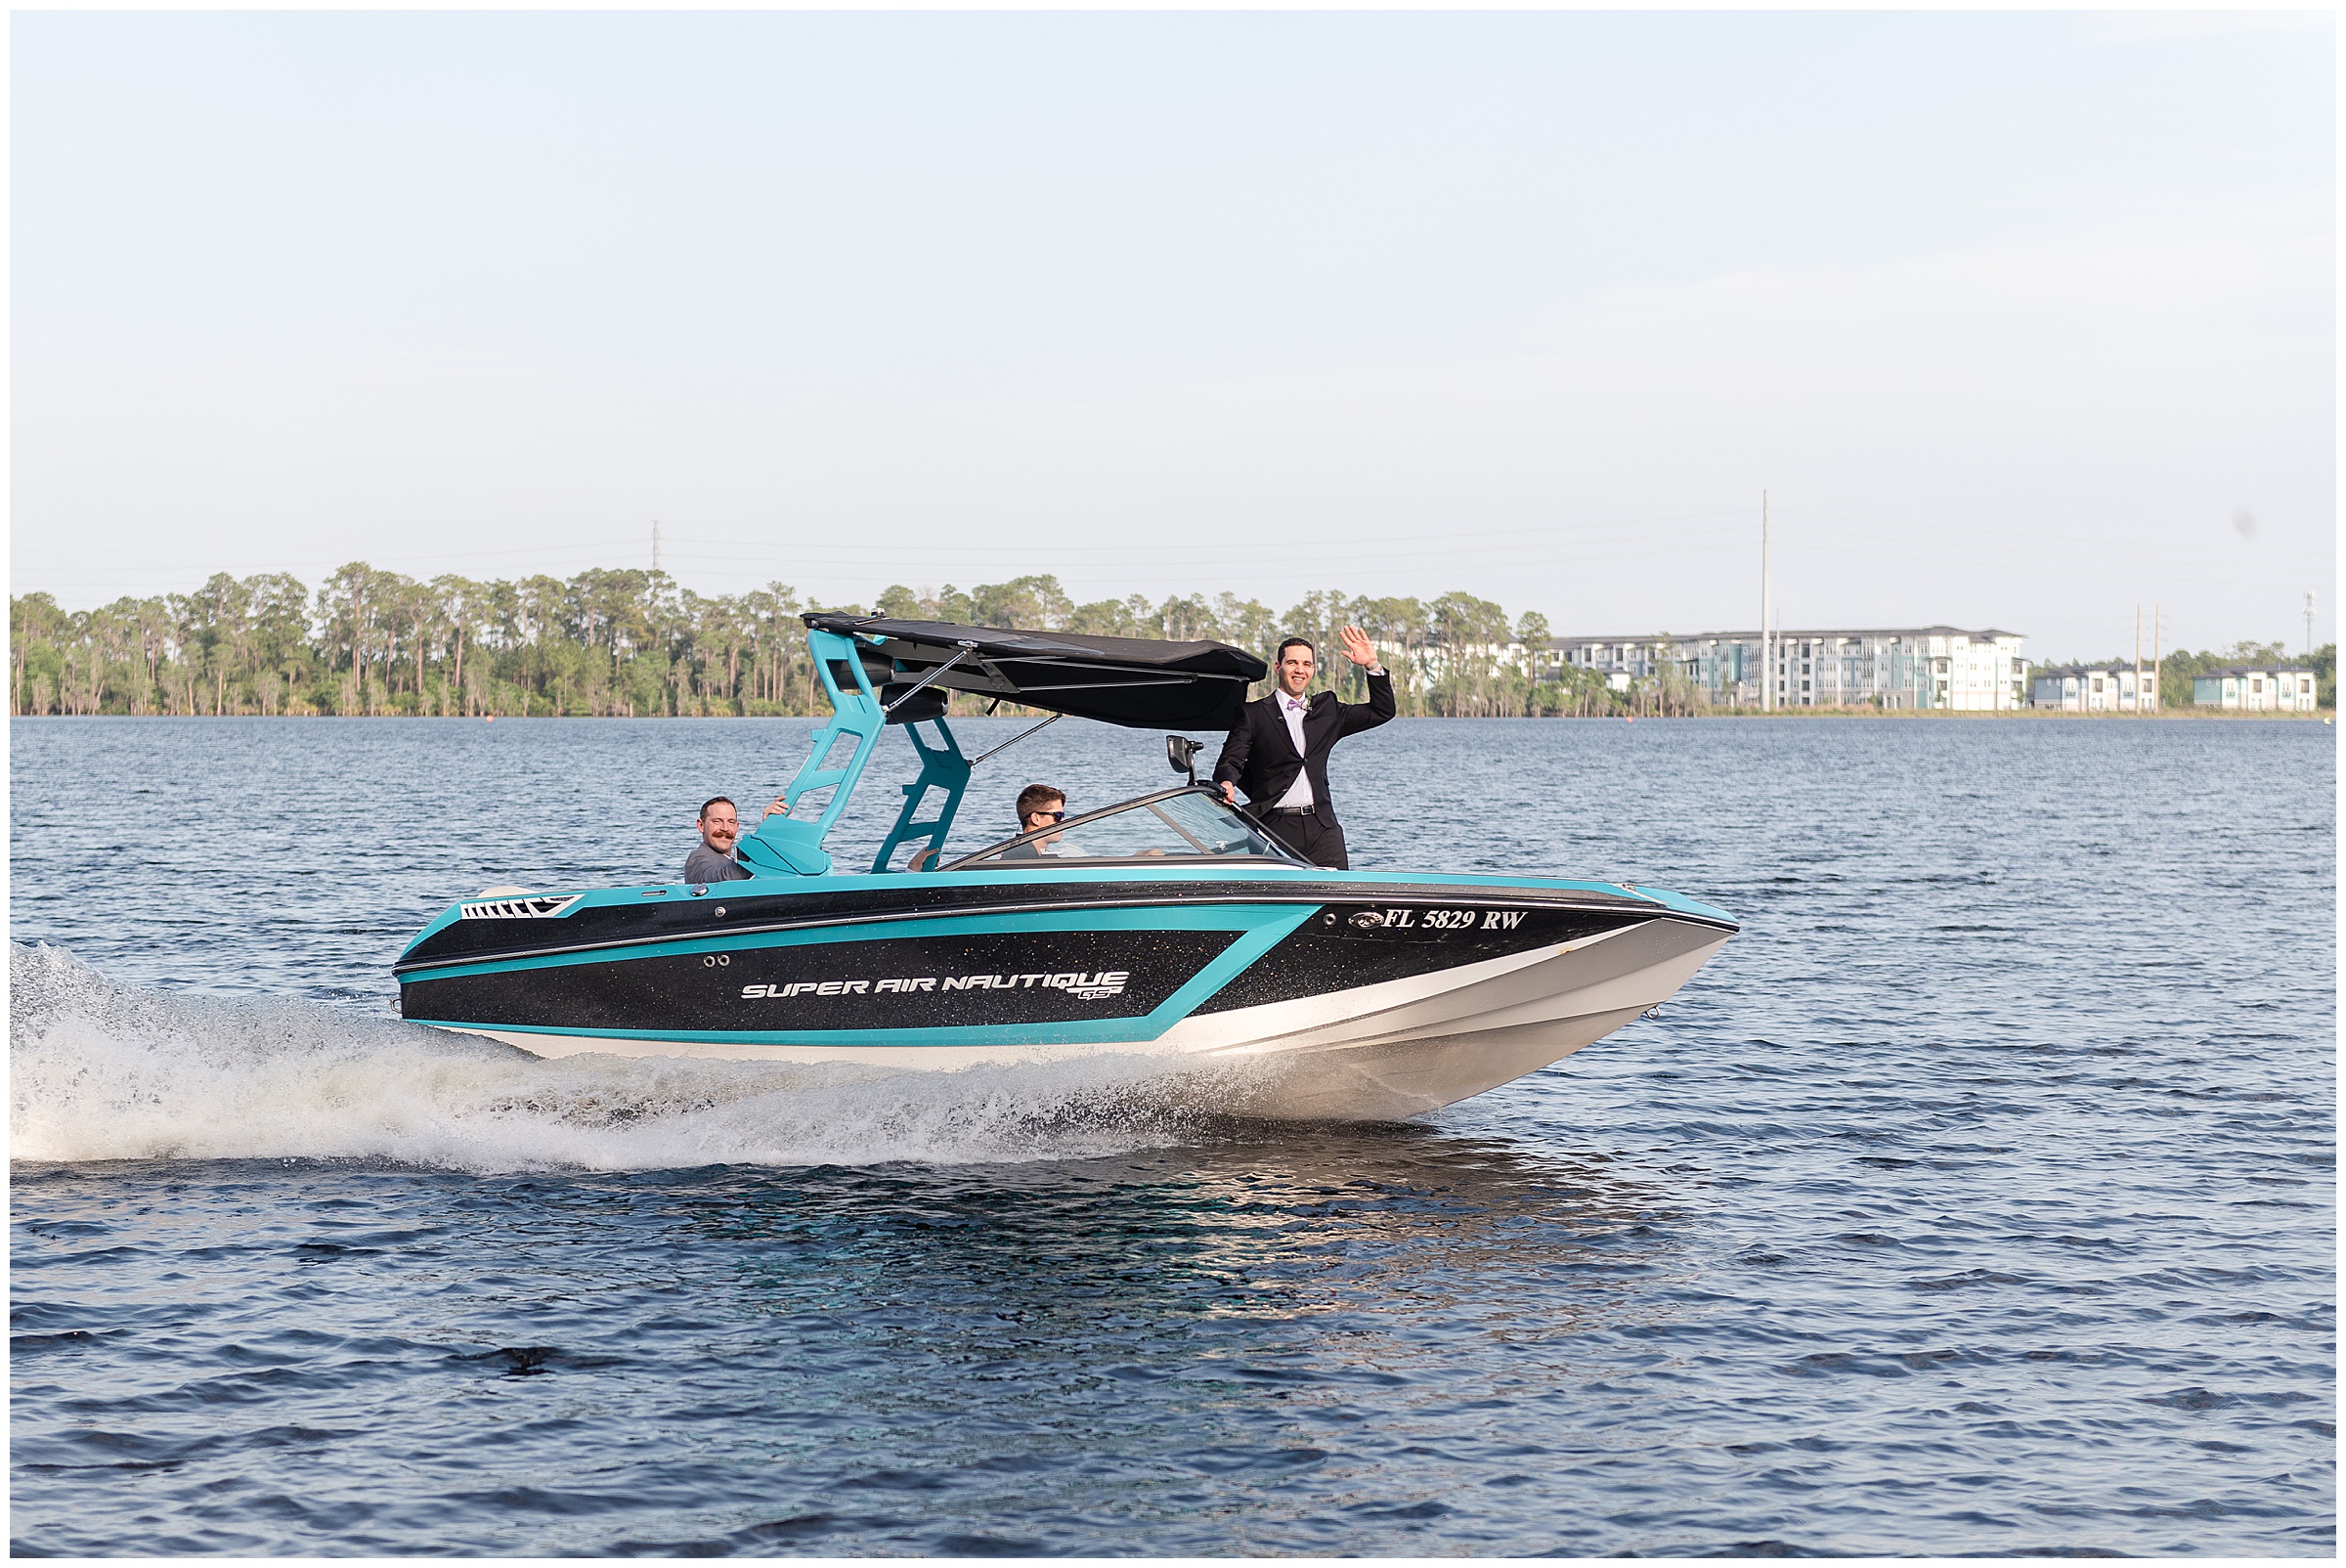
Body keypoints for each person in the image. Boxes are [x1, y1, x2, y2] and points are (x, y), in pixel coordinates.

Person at [1213, 626, 1394, 869]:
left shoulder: (1328, 709)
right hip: (1273, 826)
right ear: (1278, 667)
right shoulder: (1253, 714)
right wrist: (1227, 783)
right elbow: (1231, 760)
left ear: (1313, 670)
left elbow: (1381, 711)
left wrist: (1372, 665)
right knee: (1278, 896)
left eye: (1307, 664)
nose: (1300, 670)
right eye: (1292, 663)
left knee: (1339, 896)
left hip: (1323, 828)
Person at [683, 794, 786, 884]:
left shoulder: (728, 860)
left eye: (731, 822)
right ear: (701, 825)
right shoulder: (697, 859)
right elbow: (723, 879)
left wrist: (773, 828)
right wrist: (765, 832)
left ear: (737, 827)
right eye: (717, 821)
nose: (725, 828)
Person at [998, 783, 1068, 860]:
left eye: (1063, 815)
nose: (1062, 820)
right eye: (1058, 815)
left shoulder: (1039, 857)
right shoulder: (1019, 859)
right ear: (1036, 819)